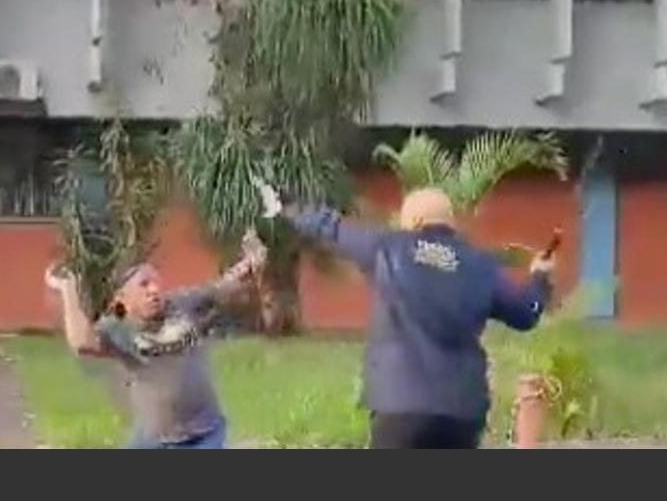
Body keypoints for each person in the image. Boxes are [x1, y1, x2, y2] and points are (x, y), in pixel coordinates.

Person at [263, 185, 555, 449]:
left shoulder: (387, 247)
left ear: (412, 221)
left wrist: (289, 208)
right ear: (450, 223)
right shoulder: (481, 266)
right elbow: (526, 313)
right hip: (462, 413)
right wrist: (540, 277)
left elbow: (331, 227)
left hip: (399, 407)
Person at [44, 230, 267, 450]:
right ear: (122, 298)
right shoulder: (118, 329)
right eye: (144, 285)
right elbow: (82, 342)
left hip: (204, 435)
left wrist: (252, 261)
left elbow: (225, 285)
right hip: (154, 439)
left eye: (156, 282)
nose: (154, 289)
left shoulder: (182, 303)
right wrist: (68, 288)